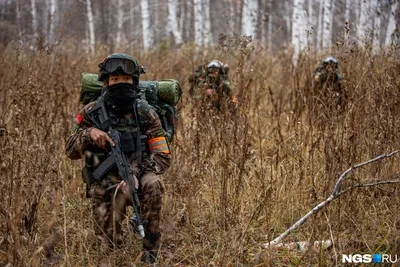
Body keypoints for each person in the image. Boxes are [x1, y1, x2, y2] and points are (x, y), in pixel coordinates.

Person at [65, 53, 171, 265]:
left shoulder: (146, 113)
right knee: (108, 246)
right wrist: (89, 134)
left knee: (154, 184)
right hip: (104, 179)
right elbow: (70, 151)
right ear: (105, 82)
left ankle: (150, 247)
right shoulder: (92, 111)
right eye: (115, 80)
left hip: (140, 173)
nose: (120, 84)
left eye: (126, 80)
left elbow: (162, 155)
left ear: (134, 82)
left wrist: (137, 173)